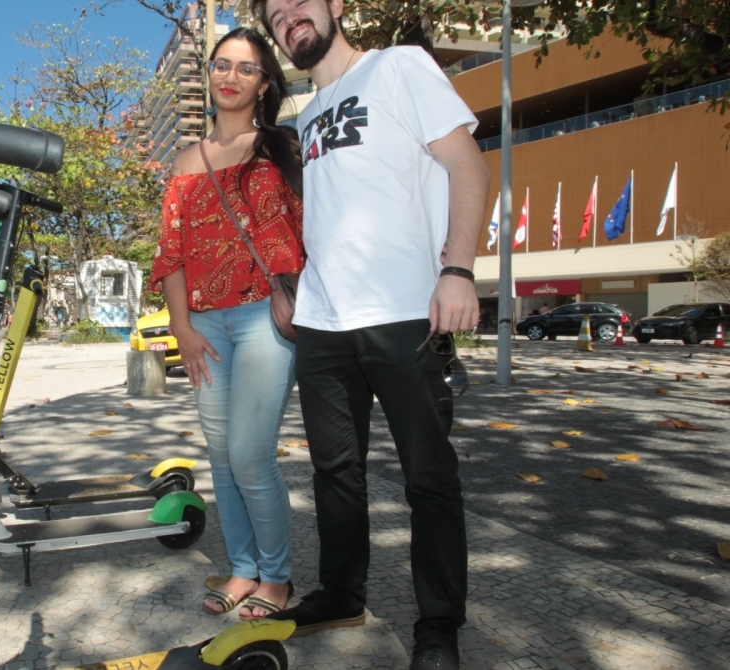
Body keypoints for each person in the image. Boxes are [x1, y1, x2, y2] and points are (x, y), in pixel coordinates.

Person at [250, 1, 490, 667]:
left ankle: (438, 626)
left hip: (407, 310)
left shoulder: (398, 67)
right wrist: (288, 289)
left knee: (428, 477)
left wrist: (459, 271)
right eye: (275, 14)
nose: (289, 16)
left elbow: (469, 167)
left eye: (299, 2)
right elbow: (328, 217)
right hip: (323, 322)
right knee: (334, 471)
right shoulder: (306, 115)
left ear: (331, 5)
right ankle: (341, 592)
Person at [149, 27, 305, 622]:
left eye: (245, 68)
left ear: (264, 82)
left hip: (267, 314)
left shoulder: (283, 147)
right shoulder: (186, 160)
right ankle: (243, 568)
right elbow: (171, 252)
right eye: (221, 65)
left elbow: (314, 227)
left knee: (248, 452)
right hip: (206, 325)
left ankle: (278, 576)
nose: (229, 76)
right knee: (219, 454)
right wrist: (182, 327)